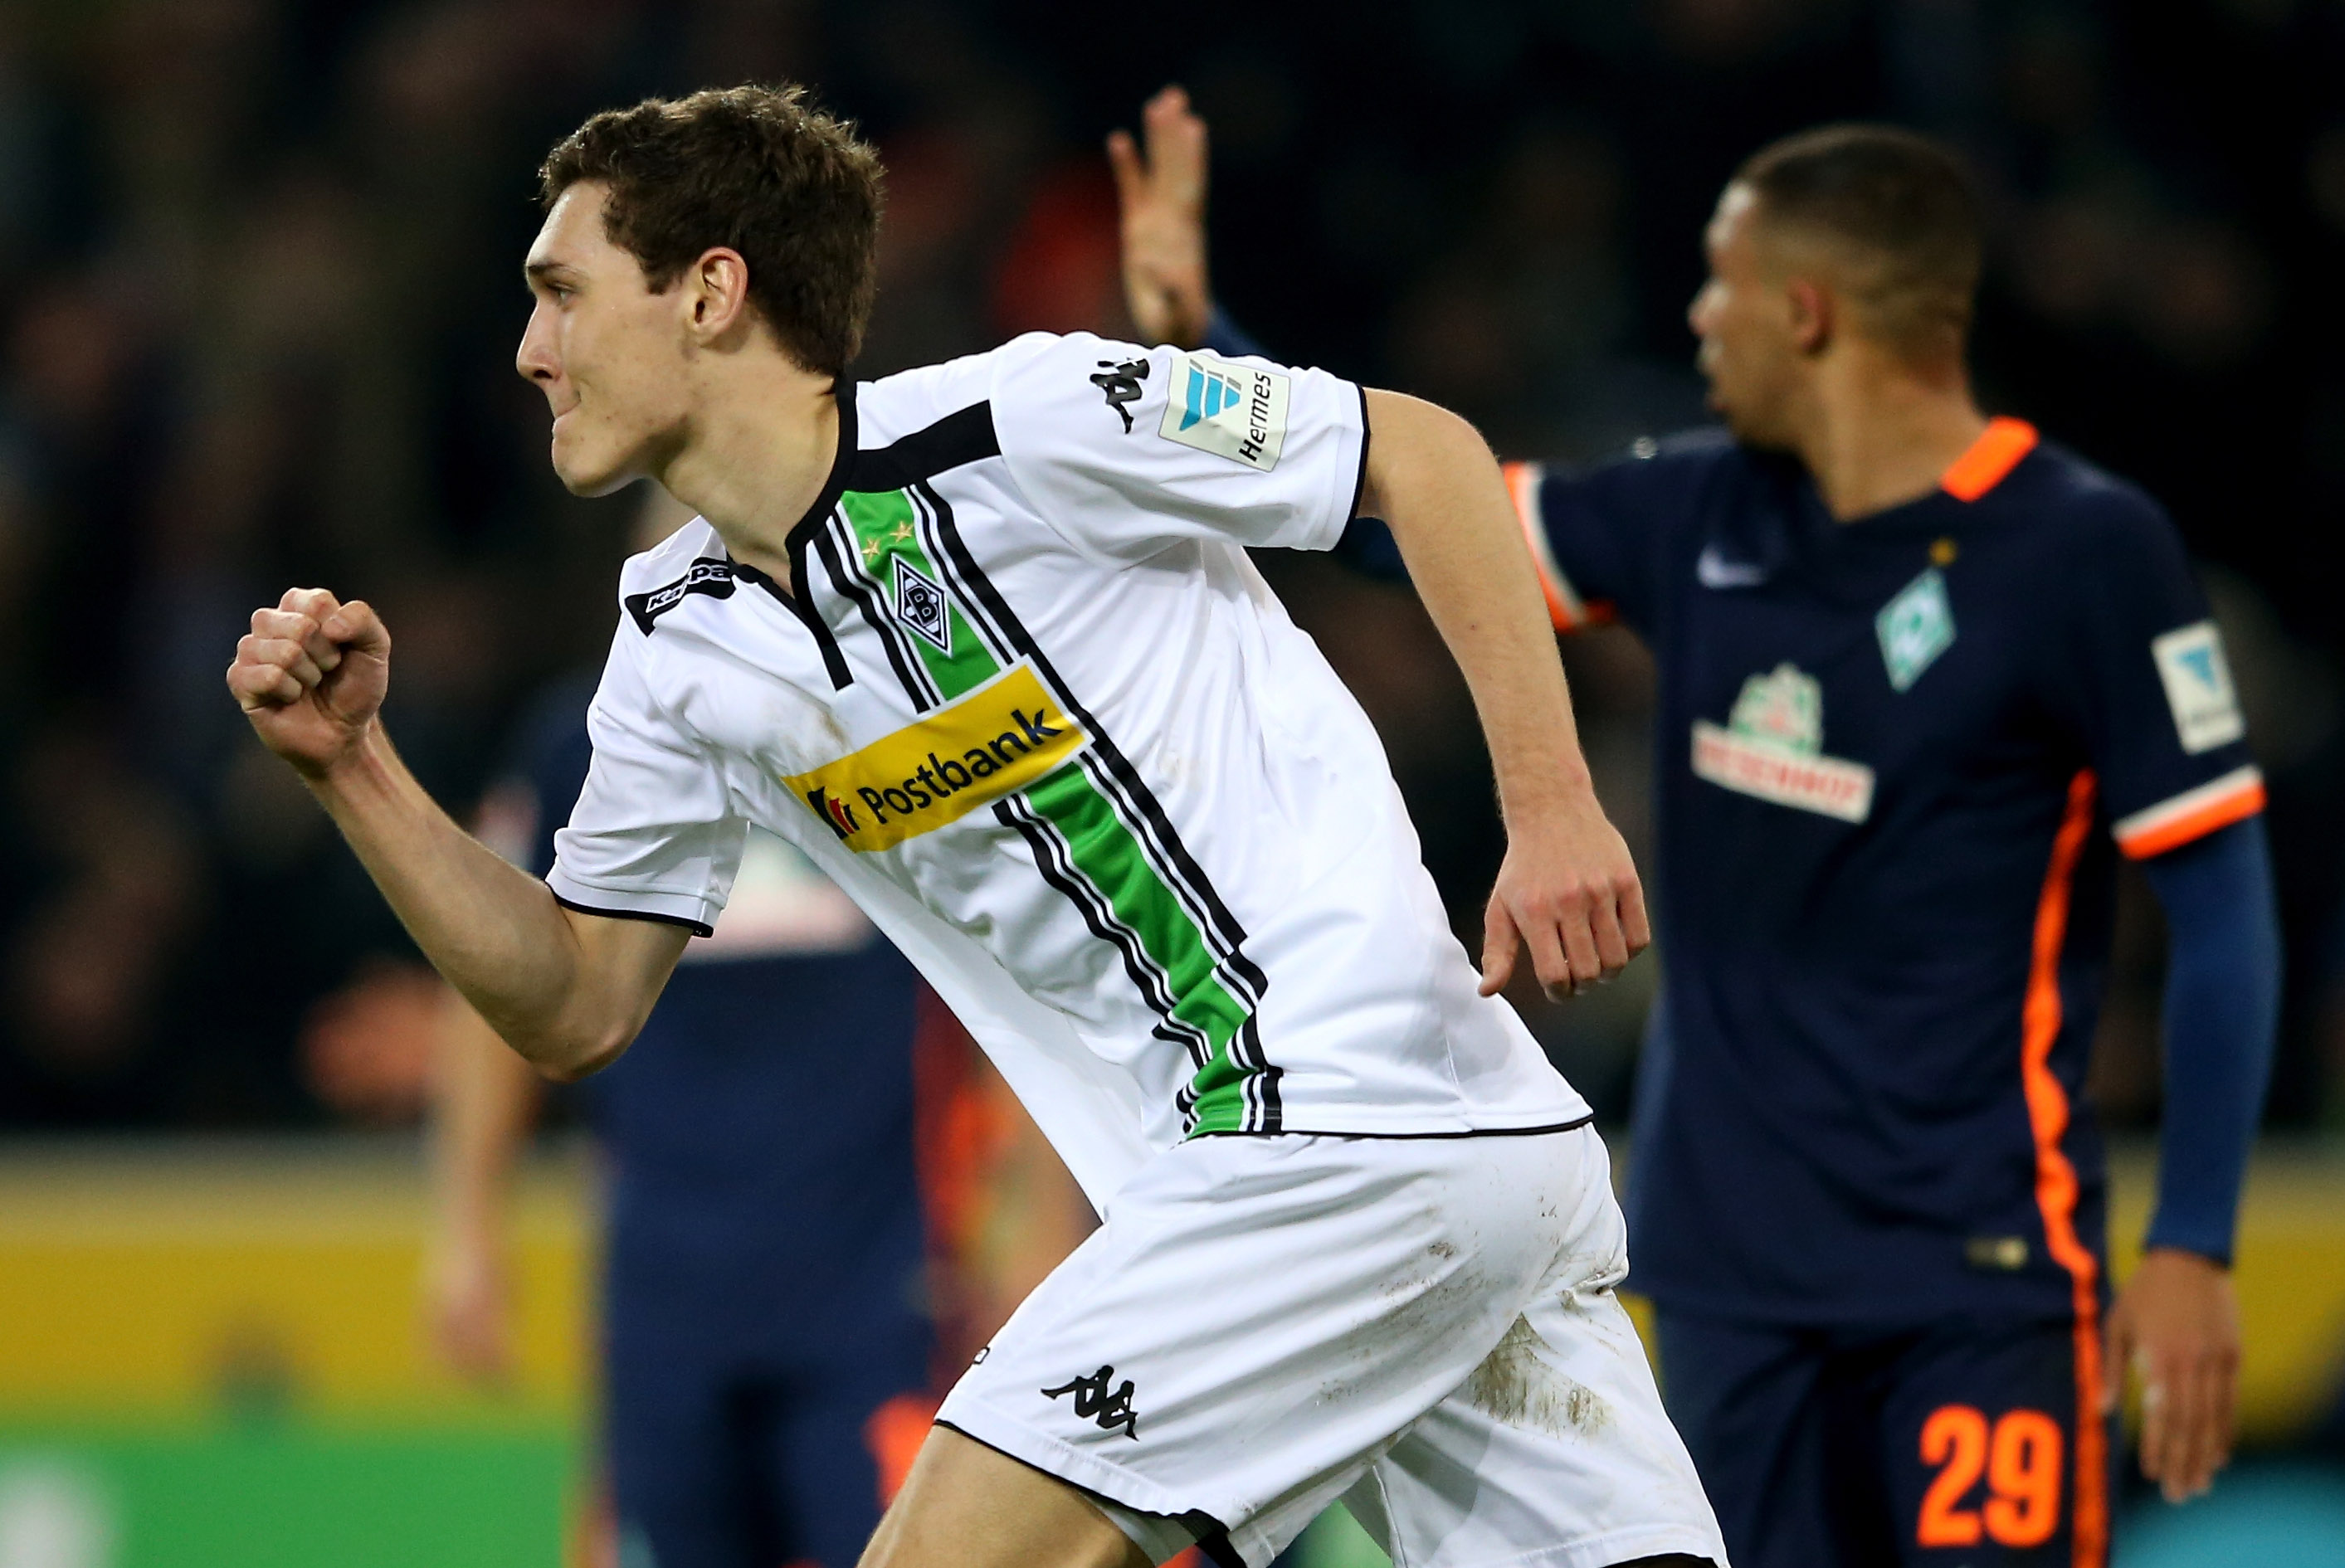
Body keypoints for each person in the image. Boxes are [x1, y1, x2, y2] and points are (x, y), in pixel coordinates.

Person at [224, 84, 1727, 1568]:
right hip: (1416, 1182)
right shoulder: (674, 642)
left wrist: (1550, 806)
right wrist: (356, 773)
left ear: (710, 294)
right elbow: (572, 999)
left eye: (563, 292)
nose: (530, 350)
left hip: (1335, 1130)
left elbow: (1422, 455)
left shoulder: (1025, 419)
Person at [1110, 88, 2281, 1568]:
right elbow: (1397, 516)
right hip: (1727, 1276)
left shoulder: (2083, 552)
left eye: (1722, 282)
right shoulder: (1697, 512)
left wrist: (2190, 1243)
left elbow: (2225, 909)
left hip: (1980, 1278)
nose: (1696, 314)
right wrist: (1210, 335)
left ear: (1803, 312)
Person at [423, 621, 934, 1568]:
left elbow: (1007, 975)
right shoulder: (580, 741)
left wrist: (1039, 1233)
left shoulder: (888, 711)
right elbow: (497, 994)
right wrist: (466, 1228)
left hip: (872, 1297)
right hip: (666, 1304)